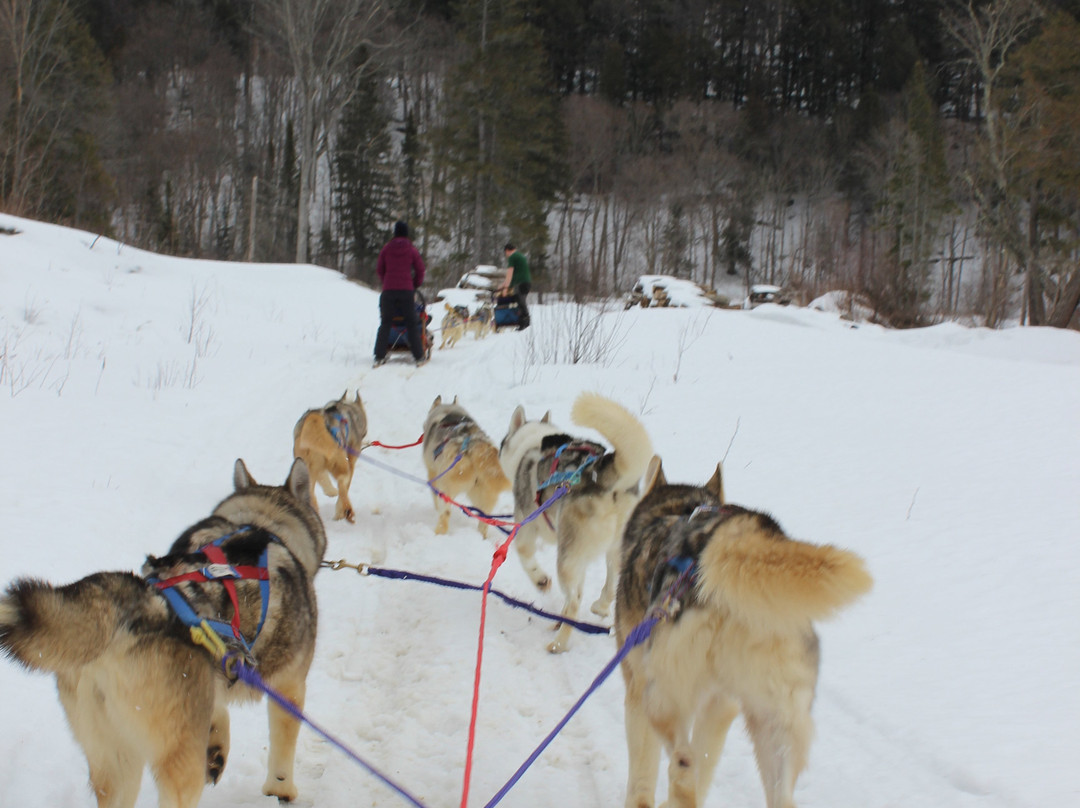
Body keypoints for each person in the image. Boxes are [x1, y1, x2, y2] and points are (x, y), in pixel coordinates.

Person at [373, 221, 427, 366]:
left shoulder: (386, 249)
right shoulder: (411, 249)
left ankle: (379, 356)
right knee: (411, 322)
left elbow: (379, 269)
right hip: (406, 291)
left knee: (385, 323)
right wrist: (414, 284)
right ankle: (419, 357)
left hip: (388, 291)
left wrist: (386, 281)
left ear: (395, 233)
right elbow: (420, 269)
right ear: (406, 233)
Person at [497, 242, 531, 330]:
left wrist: (505, 288)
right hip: (526, 282)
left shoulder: (512, 257)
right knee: (519, 301)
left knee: (520, 302)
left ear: (507, 251)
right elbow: (513, 276)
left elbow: (509, 274)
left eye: (505, 253)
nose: (506, 256)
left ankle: (525, 323)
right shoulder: (520, 256)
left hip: (521, 283)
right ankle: (522, 321)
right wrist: (502, 285)